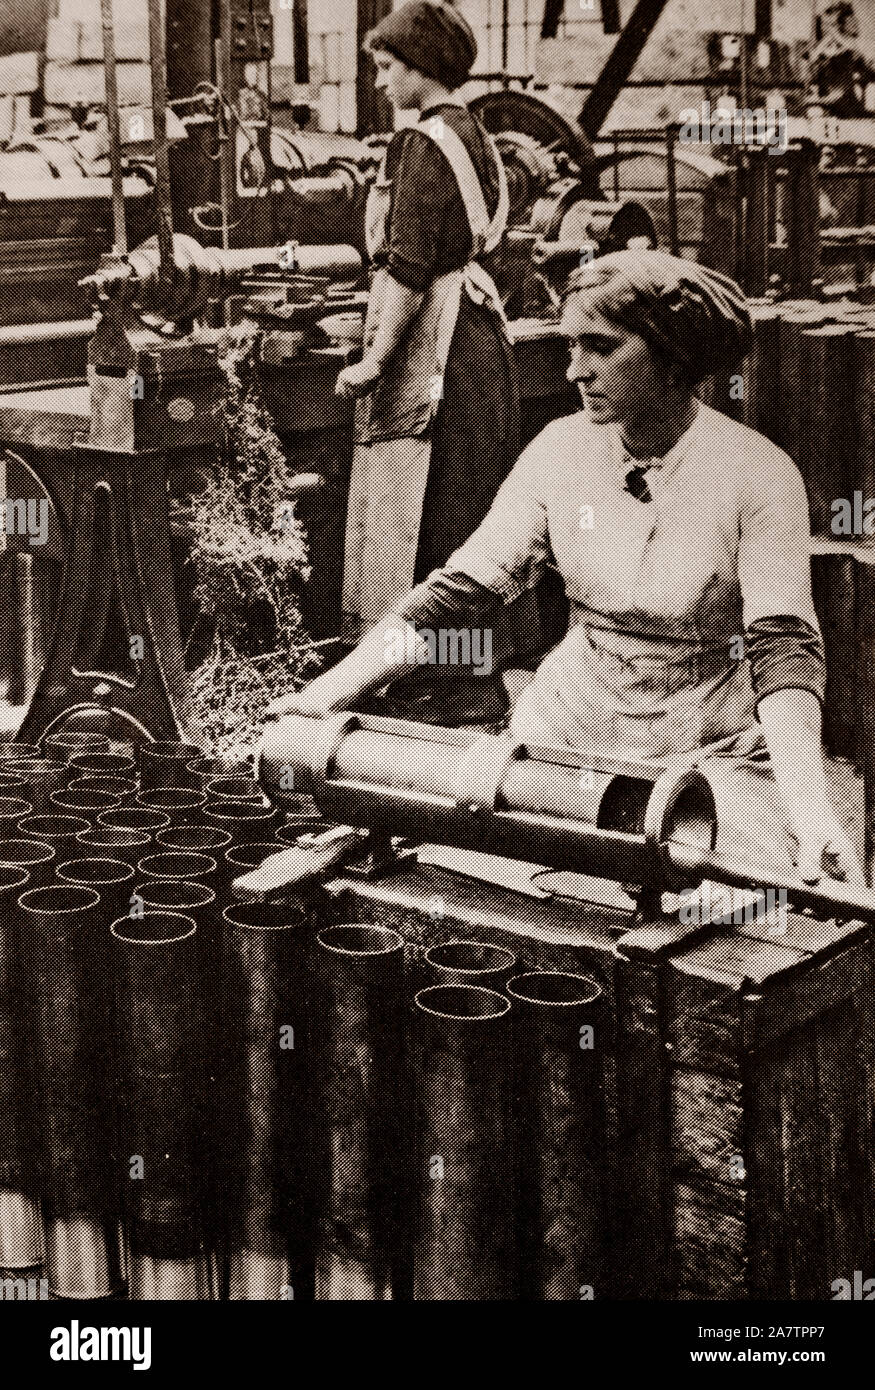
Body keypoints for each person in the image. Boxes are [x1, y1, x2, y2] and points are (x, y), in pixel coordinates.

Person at [272, 249, 862, 886]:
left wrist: (807, 800)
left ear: (672, 358)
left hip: (705, 734)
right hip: (570, 722)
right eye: (570, 346)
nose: (575, 371)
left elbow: (783, 648)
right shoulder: (560, 449)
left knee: (726, 900)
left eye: (601, 348)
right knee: (495, 885)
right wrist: (323, 696)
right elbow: (455, 598)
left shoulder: (757, 474)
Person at [335, 0, 529, 725]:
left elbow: (409, 266)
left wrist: (373, 362)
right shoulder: (478, 134)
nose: (381, 83)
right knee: (472, 513)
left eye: (387, 69)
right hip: (479, 336)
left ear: (419, 68)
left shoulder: (420, 143)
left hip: (439, 346)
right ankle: (467, 680)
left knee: (436, 517)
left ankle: (444, 689)